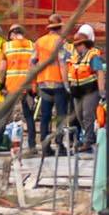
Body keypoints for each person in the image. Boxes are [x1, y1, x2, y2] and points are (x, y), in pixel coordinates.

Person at [28, 25, 65, 155]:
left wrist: (34, 83)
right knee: (60, 116)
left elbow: (32, 63)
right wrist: (66, 83)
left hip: (43, 83)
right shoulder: (60, 40)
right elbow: (62, 63)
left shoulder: (39, 41)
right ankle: (60, 145)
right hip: (58, 83)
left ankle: (45, 147)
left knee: (45, 116)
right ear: (59, 28)